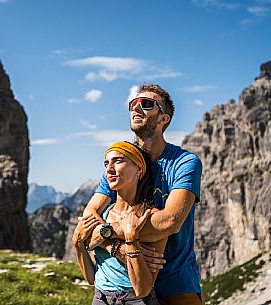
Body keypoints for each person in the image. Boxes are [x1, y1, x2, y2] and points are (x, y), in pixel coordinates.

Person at [83, 83, 204, 305]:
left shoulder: (184, 162)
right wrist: (119, 247)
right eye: (133, 104)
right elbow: (90, 215)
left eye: (146, 104)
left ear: (163, 118)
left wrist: (107, 233)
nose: (136, 108)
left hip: (175, 284)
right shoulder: (122, 160)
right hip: (128, 283)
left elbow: (170, 221)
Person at [73, 141, 167, 305]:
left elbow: (143, 289)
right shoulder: (102, 216)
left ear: (138, 169)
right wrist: (77, 244)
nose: (109, 169)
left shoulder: (150, 217)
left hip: (136, 300)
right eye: (106, 163)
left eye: (117, 161)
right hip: (100, 297)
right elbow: (91, 278)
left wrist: (131, 240)